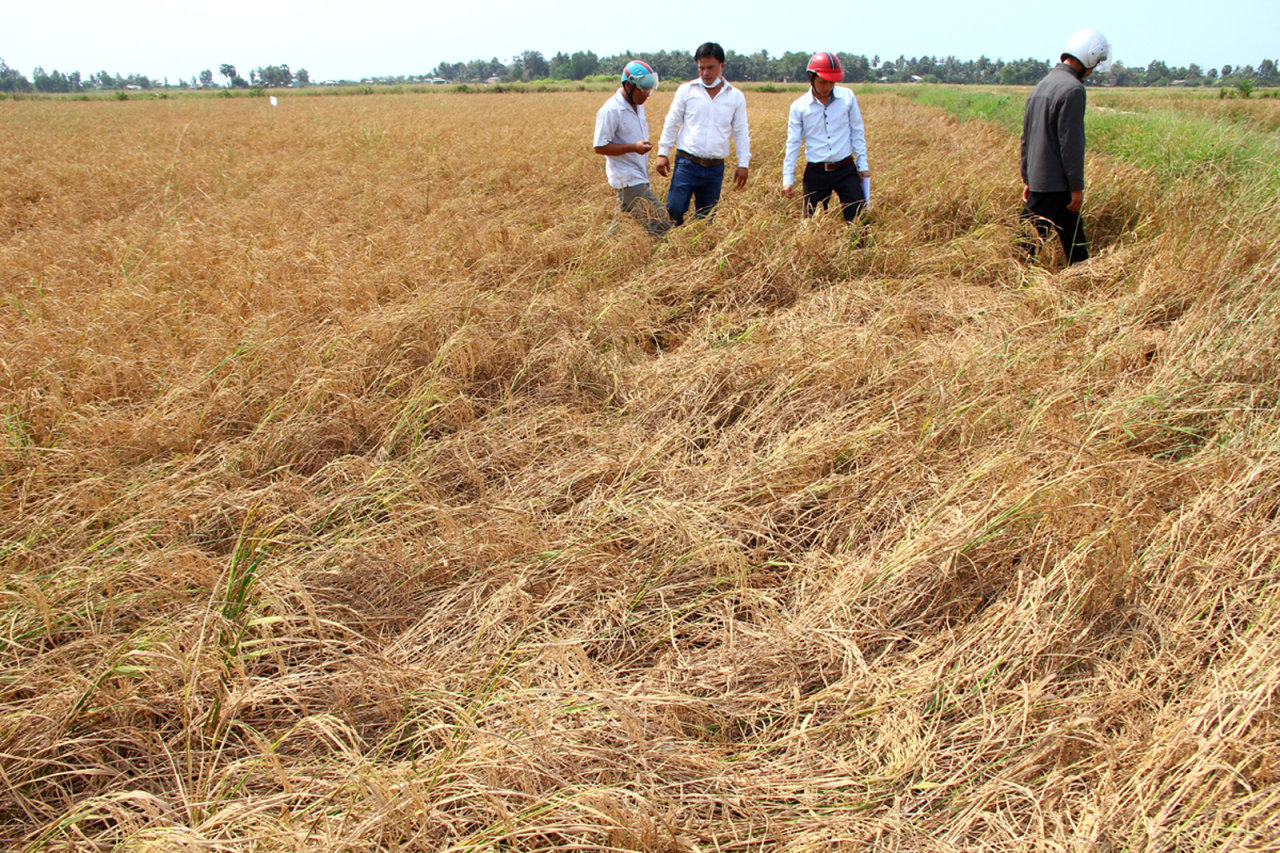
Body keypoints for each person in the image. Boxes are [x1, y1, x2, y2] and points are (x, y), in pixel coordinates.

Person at [1020, 28, 1111, 265]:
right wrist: (1076, 187)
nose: (1093, 70)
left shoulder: (1042, 86)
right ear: (1088, 56)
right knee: (1023, 251)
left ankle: (1082, 281)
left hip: (1040, 182)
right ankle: (1006, 284)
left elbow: (1026, 137)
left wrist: (1027, 178)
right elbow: (1071, 144)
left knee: (1075, 248)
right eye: (1095, 63)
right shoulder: (1073, 89)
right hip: (1055, 186)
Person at [655, 42, 751, 226]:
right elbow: (672, 122)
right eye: (701, 68)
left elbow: (741, 131)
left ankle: (697, 244)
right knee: (674, 208)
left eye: (710, 67)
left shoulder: (735, 96)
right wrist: (662, 153)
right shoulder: (687, 90)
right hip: (687, 163)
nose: (705, 73)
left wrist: (743, 164)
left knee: (706, 219)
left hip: (715, 168)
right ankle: (675, 239)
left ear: (722, 66)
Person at [781, 52, 870, 223]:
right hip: (816, 172)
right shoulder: (799, 107)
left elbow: (857, 132)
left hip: (846, 169)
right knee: (812, 223)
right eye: (823, 81)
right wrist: (788, 178)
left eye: (832, 82)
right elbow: (793, 143)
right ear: (811, 78)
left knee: (859, 221)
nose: (828, 86)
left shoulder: (847, 98)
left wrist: (863, 165)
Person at [593, 60, 671, 238]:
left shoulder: (638, 105)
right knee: (658, 221)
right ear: (628, 86)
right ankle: (668, 252)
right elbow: (600, 146)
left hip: (638, 174)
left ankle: (604, 248)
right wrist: (633, 147)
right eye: (644, 90)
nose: (647, 95)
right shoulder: (611, 110)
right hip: (627, 177)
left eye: (649, 90)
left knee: (621, 226)